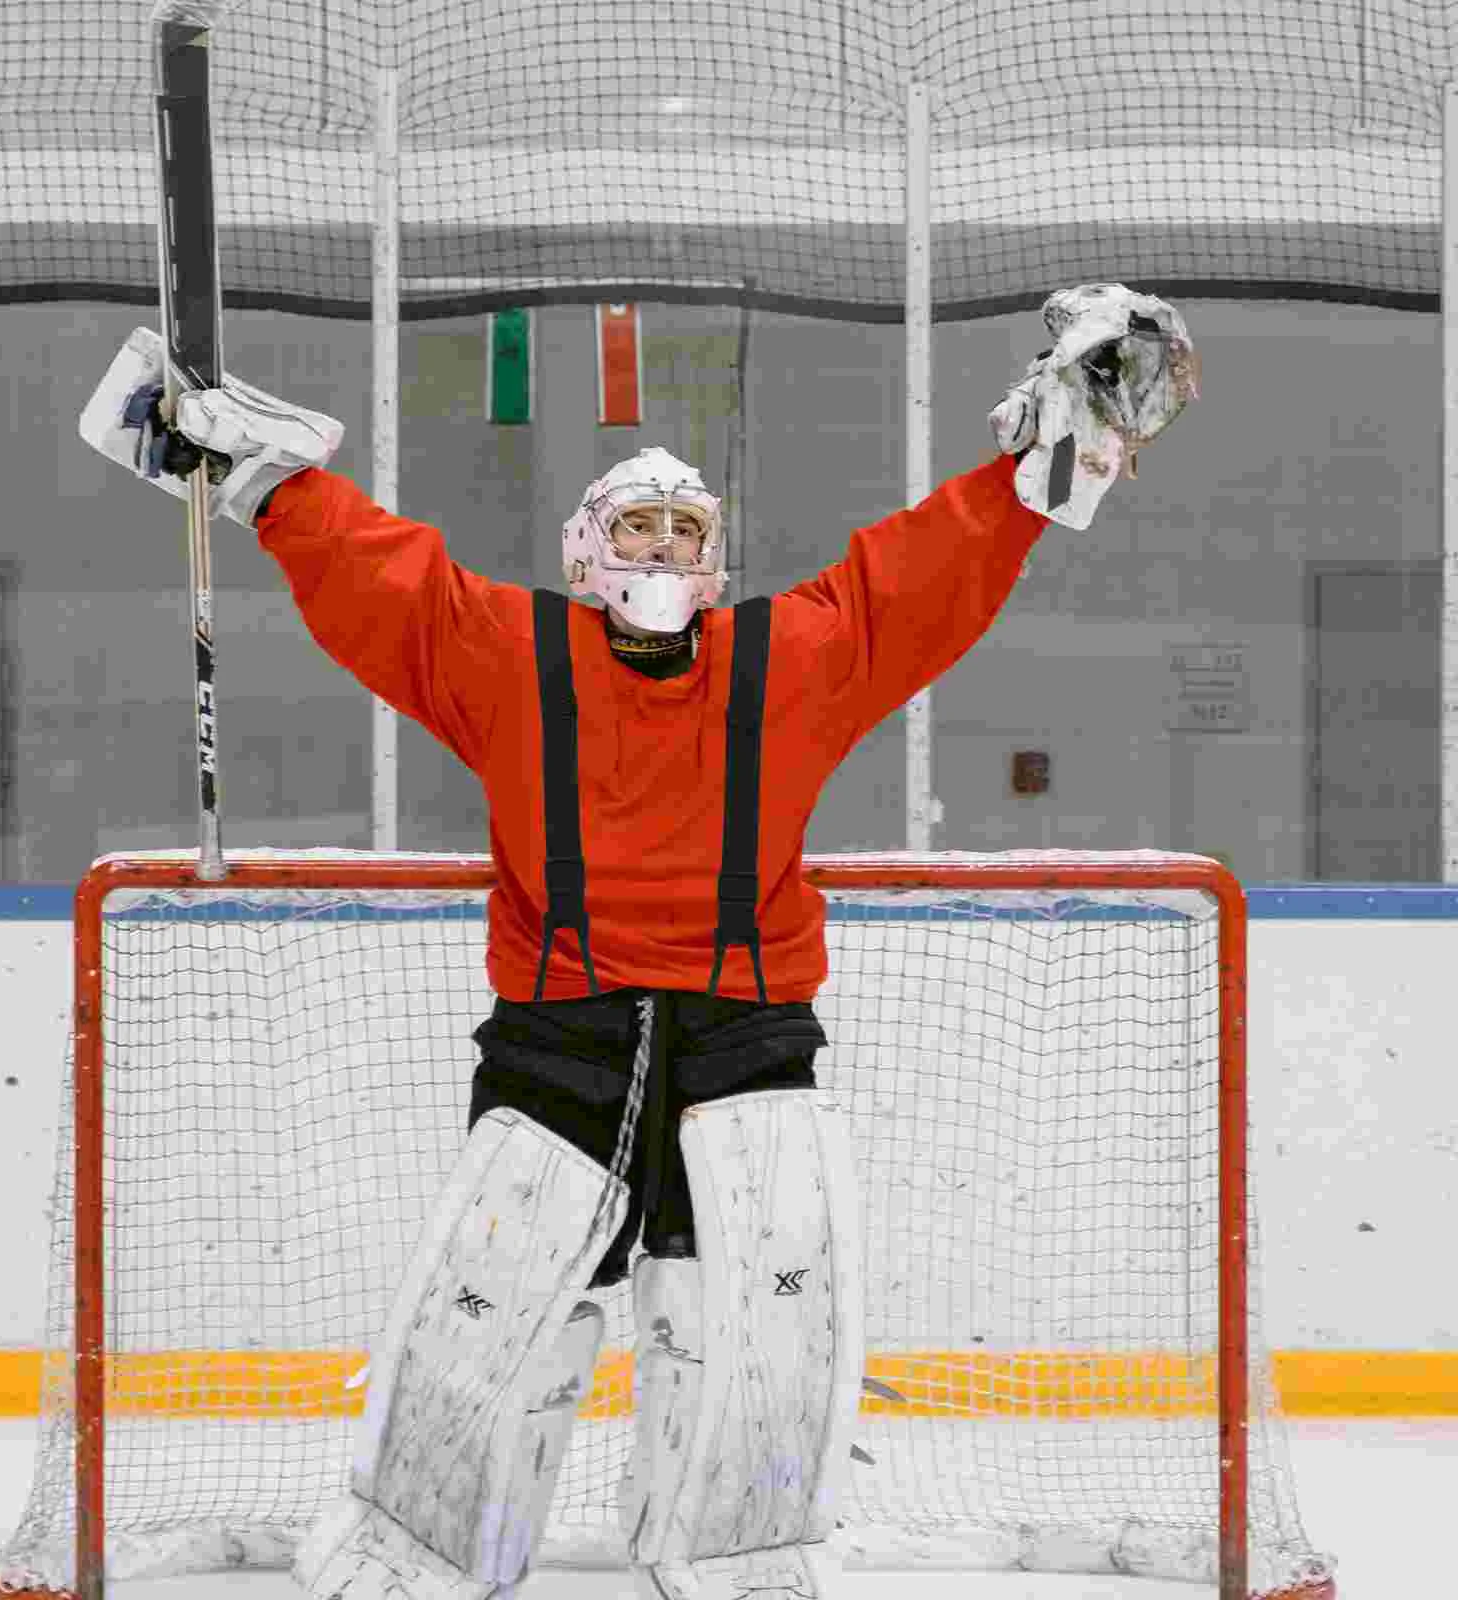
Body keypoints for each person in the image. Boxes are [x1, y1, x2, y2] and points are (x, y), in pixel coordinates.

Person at [80, 282, 1197, 1600]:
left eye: (686, 528)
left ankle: (732, 1549)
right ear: (584, 551)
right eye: (637, 527)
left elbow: (924, 573)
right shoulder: (507, 653)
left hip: (747, 1032)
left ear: (716, 558)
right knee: (502, 1307)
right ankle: (429, 1545)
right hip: (563, 1033)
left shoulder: (793, 657)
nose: (663, 548)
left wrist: (1050, 458)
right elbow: (383, 579)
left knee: (747, 1321)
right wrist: (255, 478)